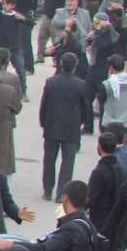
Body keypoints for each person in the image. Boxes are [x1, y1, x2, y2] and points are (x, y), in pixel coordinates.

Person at [41, 52, 90, 200]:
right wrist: (80, 122)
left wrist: (44, 123)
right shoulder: (81, 84)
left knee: (49, 160)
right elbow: (85, 108)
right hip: (71, 128)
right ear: (75, 66)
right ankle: (61, 193)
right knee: (68, 163)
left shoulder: (51, 82)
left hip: (52, 127)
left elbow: (44, 105)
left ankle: (47, 190)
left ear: (61, 64)